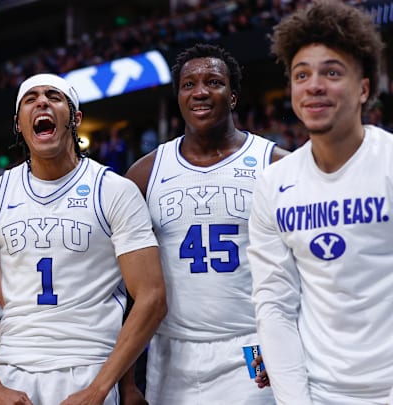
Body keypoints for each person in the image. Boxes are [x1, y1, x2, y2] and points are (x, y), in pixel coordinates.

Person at [0, 73, 167, 405]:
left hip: (90, 368)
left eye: (53, 96)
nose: (41, 102)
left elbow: (152, 297)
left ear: (76, 117)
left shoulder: (113, 190)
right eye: (30, 98)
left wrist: (100, 389)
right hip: (13, 369)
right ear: (18, 123)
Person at [123, 43, 288, 404]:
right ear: (179, 97)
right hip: (171, 352)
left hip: (251, 344)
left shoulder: (275, 164)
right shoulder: (145, 173)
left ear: (233, 96)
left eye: (213, 82)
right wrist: (126, 380)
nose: (200, 91)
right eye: (188, 84)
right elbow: (125, 284)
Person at [247, 1, 393, 404]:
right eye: (301, 75)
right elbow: (274, 306)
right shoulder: (273, 184)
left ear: (364, 89)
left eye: (332, 72)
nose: (314, 85)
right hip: (318, 392)